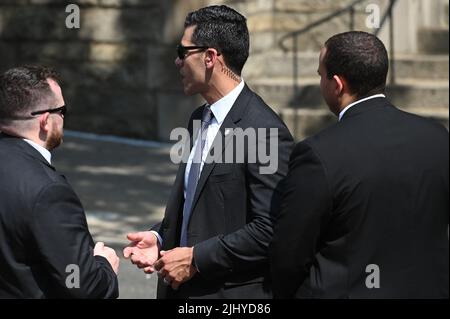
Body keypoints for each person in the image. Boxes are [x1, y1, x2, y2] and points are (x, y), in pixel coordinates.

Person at [124, 5, 293, 298]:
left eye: (183, 51)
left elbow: (271, 229)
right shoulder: (198, 119)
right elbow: (198, 208)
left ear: (210, 57)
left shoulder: (265, 130)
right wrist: (159, 238)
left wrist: (196, 259)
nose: (177, 62)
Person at [270, 31, 449, 298]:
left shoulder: (317, 154)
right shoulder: (438, 138)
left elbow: (288, 255)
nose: (320, 83)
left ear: (337, 84)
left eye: (321, 75)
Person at [0, 65, 119, 298]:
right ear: (45, 120)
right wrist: (105, 266)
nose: (64, 117)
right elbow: (83, 288)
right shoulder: (49, 192)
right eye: (61, 110)